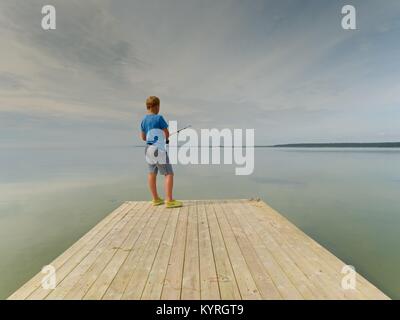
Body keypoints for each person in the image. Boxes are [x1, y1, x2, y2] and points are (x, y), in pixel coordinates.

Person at [140, 96, 183, 208]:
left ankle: (155, 199)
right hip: (158, 150)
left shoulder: (143, 120)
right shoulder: (159, 118)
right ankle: (169, 200)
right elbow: (167, 134)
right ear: (157, 106)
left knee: (151, 173)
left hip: (148, 149)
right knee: (169, 173)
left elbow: (143, 137)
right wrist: (164, 138)